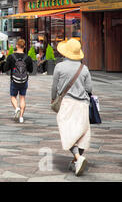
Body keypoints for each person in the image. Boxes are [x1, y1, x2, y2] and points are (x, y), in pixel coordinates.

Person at [51, 39, 92, 176]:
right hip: (83, 105)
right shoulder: (84, 68)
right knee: (81, 134)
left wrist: (53, 99)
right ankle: (76, 161)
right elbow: (89, 89)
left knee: (67, 131)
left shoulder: (59, 67)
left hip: (67, 103)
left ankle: (78, 158)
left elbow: (54, 87)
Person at [4, 39, 33, 123]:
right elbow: (31, 70)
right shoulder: (28, 58)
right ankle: (21, 117)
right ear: (24, 47)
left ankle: (16, 108)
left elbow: (6, 68)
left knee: (13, 96)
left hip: (14, 80)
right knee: (22, 97)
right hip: (24, 80)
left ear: (17, 46)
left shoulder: (11, 56)